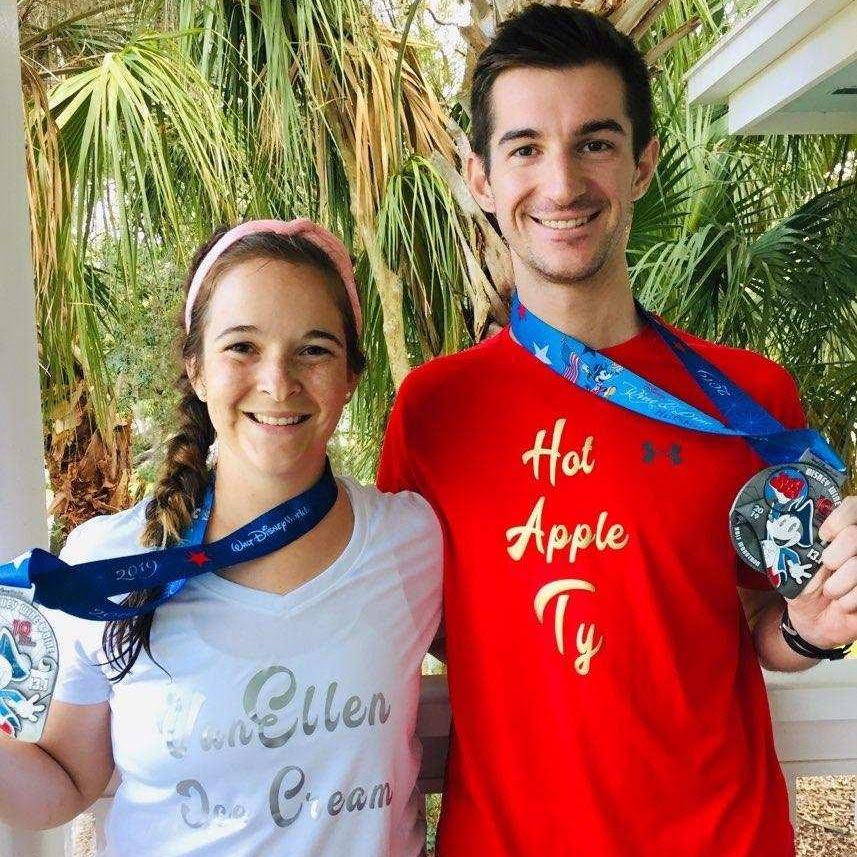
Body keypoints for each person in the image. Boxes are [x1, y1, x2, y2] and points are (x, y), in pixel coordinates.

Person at [377, 6, 857, 856]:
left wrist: (809, 627)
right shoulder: (433, 411)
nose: (561, 185)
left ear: (640, 164)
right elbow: (389, 632)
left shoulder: (749, 398)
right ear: (480, 177)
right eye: (524, 147)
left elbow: (757, 621)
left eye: (594, 143)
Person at [0, 219, 442, 855]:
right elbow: (68, 777)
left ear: (350, 376)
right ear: (197, 369)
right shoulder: (110, 563)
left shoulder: (411, 543)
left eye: (314, 349)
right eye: (242, 347)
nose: (278, 382)